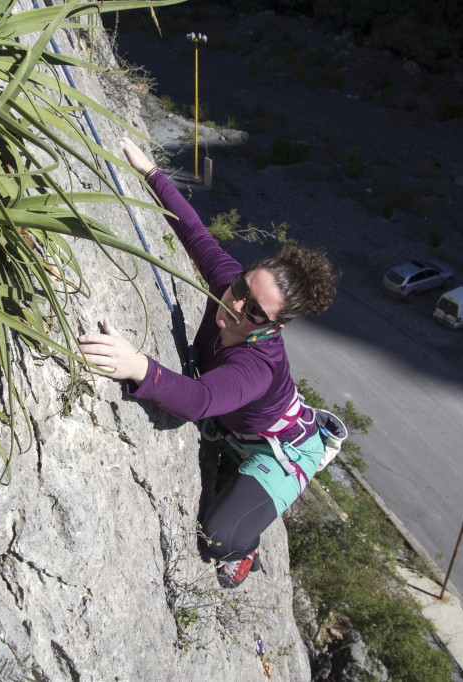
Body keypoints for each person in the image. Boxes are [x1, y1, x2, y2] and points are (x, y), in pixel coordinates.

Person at [78, 138, 339, 588]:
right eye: (241, 287)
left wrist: (139, 366)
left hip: (279, 450)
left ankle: (247, 547)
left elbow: (200, 401)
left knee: (216, 538)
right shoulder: (230, 289)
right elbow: (194, 232)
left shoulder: (257, 364)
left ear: (273, 328)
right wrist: (151, 172)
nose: (236, 304)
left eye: (255, 312)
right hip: (239, 428)